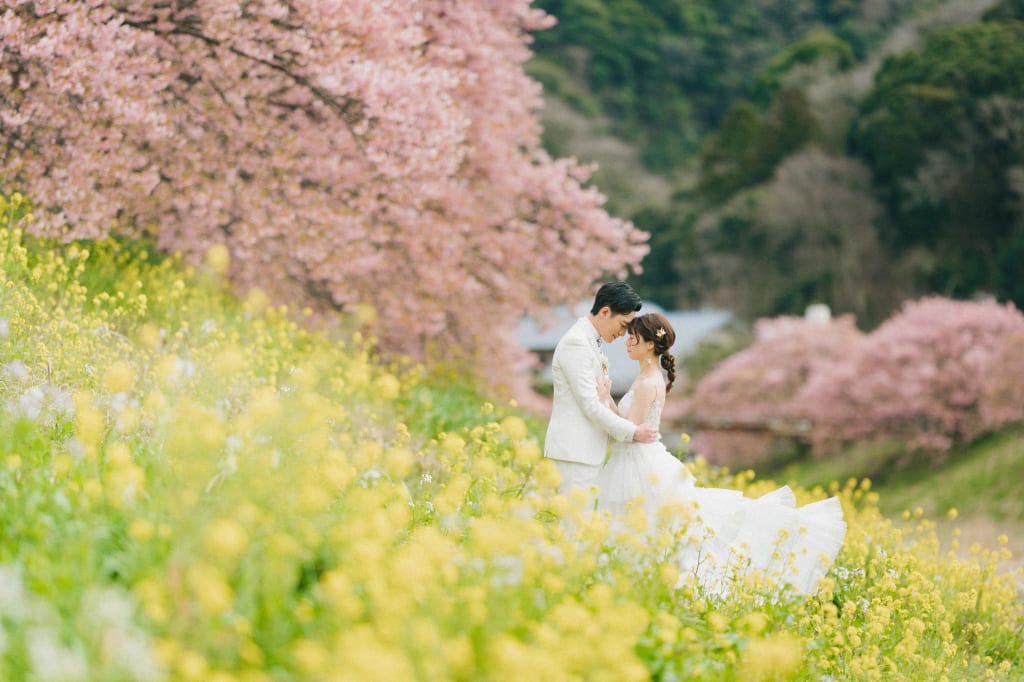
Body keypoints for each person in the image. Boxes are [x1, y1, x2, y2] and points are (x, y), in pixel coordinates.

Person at [595, 313, 847, 596]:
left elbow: (627, 429)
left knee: (650, 524)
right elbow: (630, 424)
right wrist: (606, 399)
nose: (627, 342)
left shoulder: (647, 382)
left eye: (633, 337)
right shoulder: (646, 377)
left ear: (651, 344)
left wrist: (604, 408)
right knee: (648, 524)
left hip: (638, 462)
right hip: (637, 457)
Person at [544, 282, 659, 496]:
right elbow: (590, 405)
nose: (625, 333)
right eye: (624, 325)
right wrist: (634, 432)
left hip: (586, 453)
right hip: (574, 454)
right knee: (573, 525)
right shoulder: (576, 343)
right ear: (605, 312)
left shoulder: (591, 342)